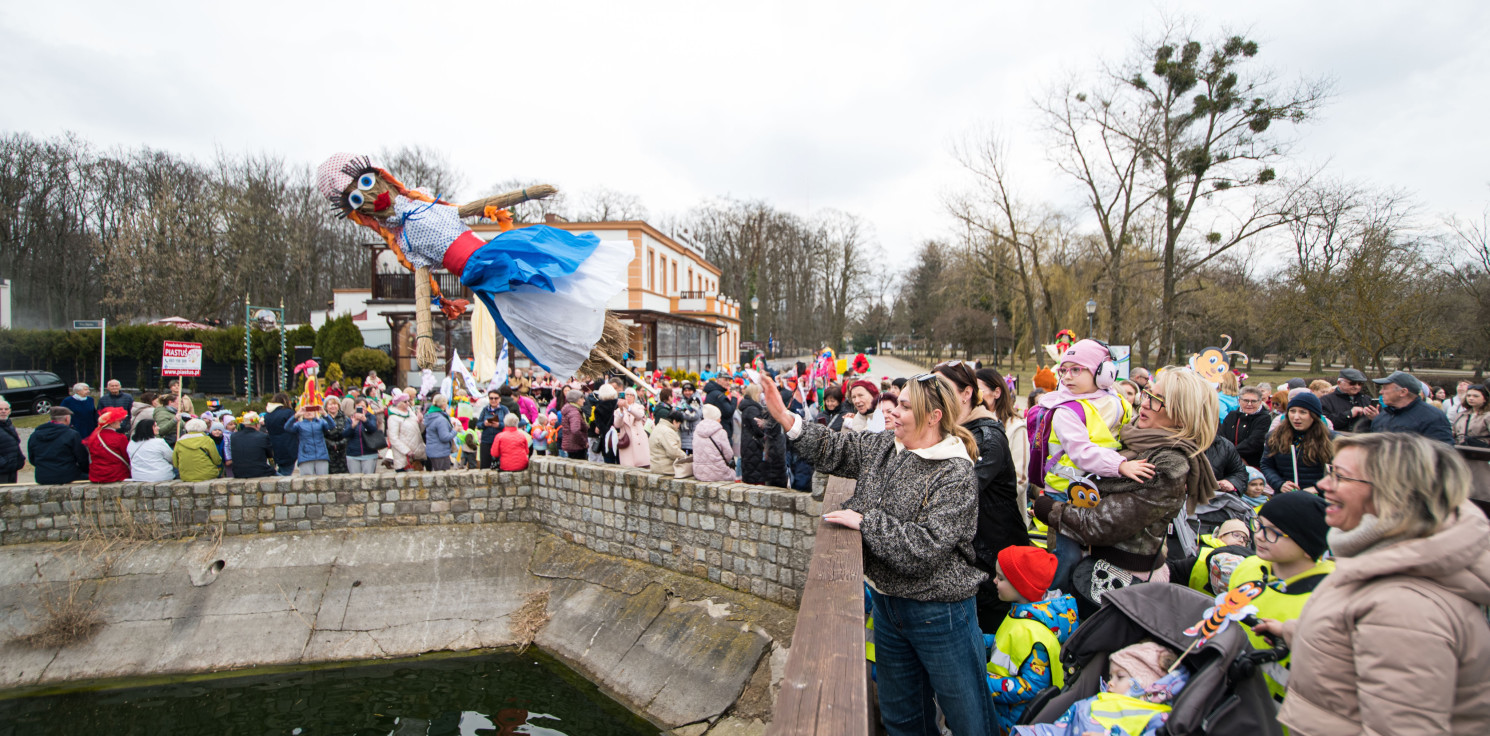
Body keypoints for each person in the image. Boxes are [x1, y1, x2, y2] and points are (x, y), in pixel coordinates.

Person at [762, 371, 994, 735]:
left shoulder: (955, 472)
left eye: (905, 407)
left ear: (933, 417)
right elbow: (833, 448)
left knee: (970, 720)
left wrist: (865, 521)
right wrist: (787, 419)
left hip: (940, 615)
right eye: (897, 403)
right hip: (888, 606)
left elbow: (924, 548)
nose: (894, 412)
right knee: (902, 718)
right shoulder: (886, 445)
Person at [1255, 433, 1490, 734]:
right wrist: (1295, 632)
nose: (1324, 485)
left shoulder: (1404, 607)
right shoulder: (1389, 568)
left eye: (1340, 476)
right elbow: (1371, 642)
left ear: (1393, 492)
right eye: (1330, 472)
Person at [1033, 367, 1219, 617]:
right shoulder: (1134, 437)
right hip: (1094, 567)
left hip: (1125, 581)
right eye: (1148, 394)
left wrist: (1049, 508)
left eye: (1157, 400)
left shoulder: (1168, 465)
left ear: (1182, 416)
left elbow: (1103, 524)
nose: (1145, 403)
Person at [1032, 340, 1149, 593]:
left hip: (1100, 489)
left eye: (1076, 369)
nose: (1067, 376)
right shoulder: (1065, 410)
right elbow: (1082, 453)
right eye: (1064, 370)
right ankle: (1055, 601)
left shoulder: (1118, 402)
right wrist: (1121, 465)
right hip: (1064, 494)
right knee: (1068, 556)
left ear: (1103, 373)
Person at [936, 361, 1030, 631]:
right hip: (972, 552)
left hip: (993, 554)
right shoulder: (947, 430)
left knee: (991, 629)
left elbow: (960, 492)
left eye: (943, 387)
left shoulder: (987, 437)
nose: (935, 394)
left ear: (967, 393)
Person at [1224, 491, 1334, 702]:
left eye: (1273, 532)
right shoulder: (1248, 567)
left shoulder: (1327, 596)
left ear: (1307, 545)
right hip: (1232, 688)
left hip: (1282, 705)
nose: (1259, 535)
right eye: (1259, 525)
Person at [986, 546, 1078, 733]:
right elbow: (1009, 643)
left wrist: (984, 682)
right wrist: (980, 640)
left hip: (1016, 721)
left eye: (1001, 578)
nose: (994, 581)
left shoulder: (1035, 635)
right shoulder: (1025, 615)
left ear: (1021, 586)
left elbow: (1031, 686)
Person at [1014, 642, 1188, 736]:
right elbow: (1061, 729)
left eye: (1120, 677)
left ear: (1147, 684)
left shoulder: (1159, 717)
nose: (1110, 683)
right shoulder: (1095, 702)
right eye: (1110, 677)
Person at [1260, 392, 1335, 494]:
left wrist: (1318, 489)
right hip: (1286, 497)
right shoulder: (1274, 436)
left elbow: (1340, 473)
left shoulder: (1332, 439)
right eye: (1292, 411)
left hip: (1319, 498)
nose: (1296, 417)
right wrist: (1280, 484)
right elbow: (1267, 465)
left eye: (1303, 412)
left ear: (1314, 415)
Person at [1363, 371, 1454, 444]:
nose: (1381, 392)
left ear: (1403, 392)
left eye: (1385, 388)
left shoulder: (1433, 417)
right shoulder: (1381, 417)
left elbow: (1444, 453)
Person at [29, 407, 88, 484]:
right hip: (67, 475)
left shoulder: (35, 435)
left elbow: (32, 458)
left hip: (42, 476)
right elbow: (82, 458)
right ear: (67, 418)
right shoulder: (72, 434)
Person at [739, 384, 783, 485]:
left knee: (751, 471)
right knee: (755, 474)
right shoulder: (752, 409)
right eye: (759, 393)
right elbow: (758, 429)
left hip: (749, 443)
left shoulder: (748, 407)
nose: (760, 395)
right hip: (754, 445)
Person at [1219, 386, 1270, 467]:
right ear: (1239, 401)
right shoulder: (1232, 415)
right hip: (1227, 460)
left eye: (1253, 401)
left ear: (1260, 402)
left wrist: (1232, 455)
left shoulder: (1264, 418)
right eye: (1246, 401)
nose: (1249, 404)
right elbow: (1221, 436)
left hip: (1252, 463)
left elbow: (1255, 442)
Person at [83, 407, 131, 483]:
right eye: (119, 420)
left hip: (96, 475)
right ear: (111, 423)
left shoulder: (94, 437)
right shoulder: (120, 438)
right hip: (116, 474)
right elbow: (127, 456)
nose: (121, 421)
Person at [1318, 368, 1374, 433]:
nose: (1357, 387)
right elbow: (1325, 423)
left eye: (1360, 384)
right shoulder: (1325, 400)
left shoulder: (1367, 399)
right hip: (1338, 437)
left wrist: (1375, 417)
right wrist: (1349, 414)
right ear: (1339, 383)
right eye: (1352, 383)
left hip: (1363, 437)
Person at [691, 404, 735, 482]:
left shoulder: (696, 431)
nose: (720, 420)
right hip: (718, 472)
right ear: (715, 418)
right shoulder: (721, 432)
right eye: (719, 417)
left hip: (699, 473)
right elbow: (728, 455)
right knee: (734, 474)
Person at [229, 412, 275, 478]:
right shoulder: (263, 436)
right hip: (260, 471)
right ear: (257, 425)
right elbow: (270, 454)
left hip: (238, 473)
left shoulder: (233, 436)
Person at [614, 389, 651, 469]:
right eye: (627, 395)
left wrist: (628, 407)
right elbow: (617, 424)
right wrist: (621, 411)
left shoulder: (639, 407)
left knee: (643, 466)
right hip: (627, 441)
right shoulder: (618, 410)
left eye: (631, 395)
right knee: (628, 467)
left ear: (634, 397)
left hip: (639, 440)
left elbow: (639, 416)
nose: (629, 397)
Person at [386, 393, 423, 471]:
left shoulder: (411, 413)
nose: (408, 403)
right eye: (405, 402)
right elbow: (393, 438)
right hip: (403, 455)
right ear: (399, 404)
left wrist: (420, 421)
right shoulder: (393, 418)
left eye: (408, 401)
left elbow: (419, 431)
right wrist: (406, 451)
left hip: (416, 453)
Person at [263, 393, 297, 475]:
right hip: (288, 446)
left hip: (273, 446)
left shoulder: (267, 415)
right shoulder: (289, 412)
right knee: (286, 474)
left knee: (281, 471)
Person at [344, 401, 381, 474]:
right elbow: (345, 434)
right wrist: (353, 426)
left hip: (369, 453)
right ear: (355, 408)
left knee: (368, 478)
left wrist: (365, 420)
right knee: (354, 478)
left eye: (363, 406)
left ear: (366, 407)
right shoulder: (349, 419)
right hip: (353, 454)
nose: (361, 408)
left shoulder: (371, 417)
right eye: (358, 406)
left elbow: (373, 430)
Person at [423, 394, 458, 471]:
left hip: (432, 451)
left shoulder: (431, 415)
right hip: (440, 452)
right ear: (443, 405)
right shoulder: (441, 419)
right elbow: (444, 437)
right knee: (443, 476)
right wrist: (455, 430)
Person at [590, 383, 620, 464]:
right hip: (618, 436)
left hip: (606, 439)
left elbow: (600, 425)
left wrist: (606, 431)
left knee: (608, 462)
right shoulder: (618, 404)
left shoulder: (598, 408)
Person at [649, 410, 686, 475]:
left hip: (656, 465)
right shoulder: (667, 432)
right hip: (665, 468)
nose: (679, 427)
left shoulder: (659, 427)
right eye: (679, 424)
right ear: (674, 421)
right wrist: (685, 456)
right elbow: (673, 452)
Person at [321, 399, 350, 474]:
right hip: (328, 451)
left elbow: (349, 433)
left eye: (335, 404)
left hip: (343, 451)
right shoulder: (322, 419)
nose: (333, 406)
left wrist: (340, 444)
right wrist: (331, 444)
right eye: (330, 404)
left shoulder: (345, 418)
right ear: (326, 407)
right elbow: (320, 435)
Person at [703, 377, 736, 443]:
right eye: (725, 380)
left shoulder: (712, 392)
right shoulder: (719, 395)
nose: (728, 382)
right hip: (721, 432)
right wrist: (734, 399)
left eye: (728, 380)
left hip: (712, 430)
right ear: (718, 381)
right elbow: (729, 412)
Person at [559, 389, 589, 460]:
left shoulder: (570, 409)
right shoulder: (574, 412)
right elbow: (575, 430)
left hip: (571, 444)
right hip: (576, 446)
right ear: (576, 400)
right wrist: (584, 442)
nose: (584, 400)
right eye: (582, 398)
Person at [0, 399, 24, 483]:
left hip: (12, 468)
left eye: (6, 409)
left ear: (9, 411)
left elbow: (16, 443)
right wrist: (3, 463)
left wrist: (20, 459)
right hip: (2, 470)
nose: (3, 411)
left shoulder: (9, 425)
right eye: (0, 409)